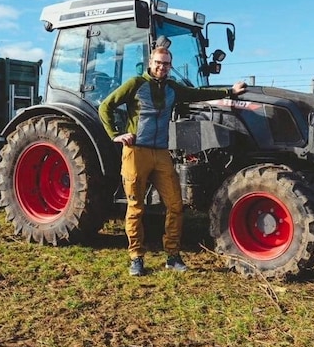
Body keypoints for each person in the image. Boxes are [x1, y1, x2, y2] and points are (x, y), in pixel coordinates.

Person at [99, 46, 247, 276]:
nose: (162, 67)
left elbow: (199, 94)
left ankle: (172, 255)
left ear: (170, 66)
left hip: (161, 153)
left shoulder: (172, 88)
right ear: (151, 63)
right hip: (136, 152)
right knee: (136, 207)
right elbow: (105, 106)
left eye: (166, 64)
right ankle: (136, 257)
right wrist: (115, 134)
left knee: (176, 205)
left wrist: (229, 91)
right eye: (158, 62)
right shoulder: (136, 84)